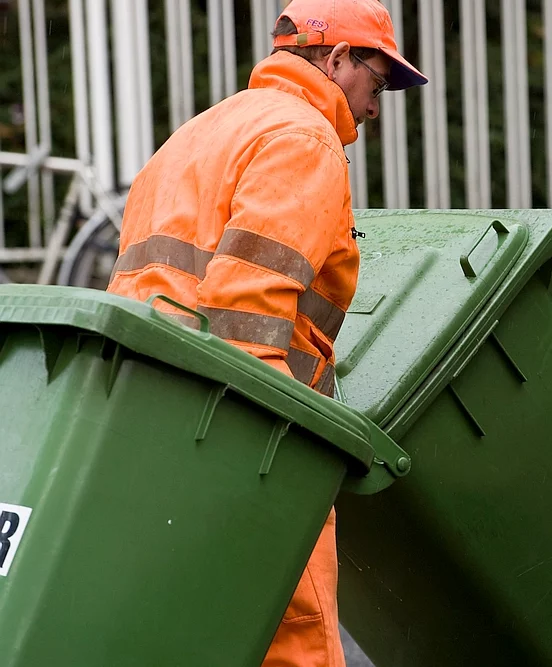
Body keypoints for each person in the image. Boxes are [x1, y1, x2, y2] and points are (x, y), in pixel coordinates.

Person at [106, 0, 427, 664]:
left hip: (141, 419)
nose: (375, 106)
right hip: (239, 430)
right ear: (336, 59)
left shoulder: (198, 133)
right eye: (378, 80)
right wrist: (277, 465)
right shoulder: (303, 140)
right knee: (294, 633)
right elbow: (245, 320)